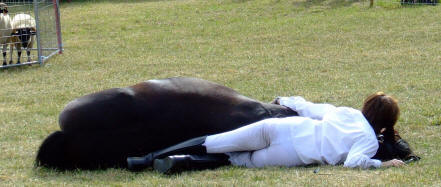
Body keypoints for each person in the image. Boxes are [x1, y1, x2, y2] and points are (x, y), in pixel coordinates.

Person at [127, 92, 406, 173]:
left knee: (216, 142)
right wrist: (382, 163)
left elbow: (309, 107)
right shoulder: (369, 140)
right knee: (235, 159)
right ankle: (180, 163)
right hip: (293, 153)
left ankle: (146, 159)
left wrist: (284, 100)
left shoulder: (348, 112)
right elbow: (353, 162)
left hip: (284, 127)